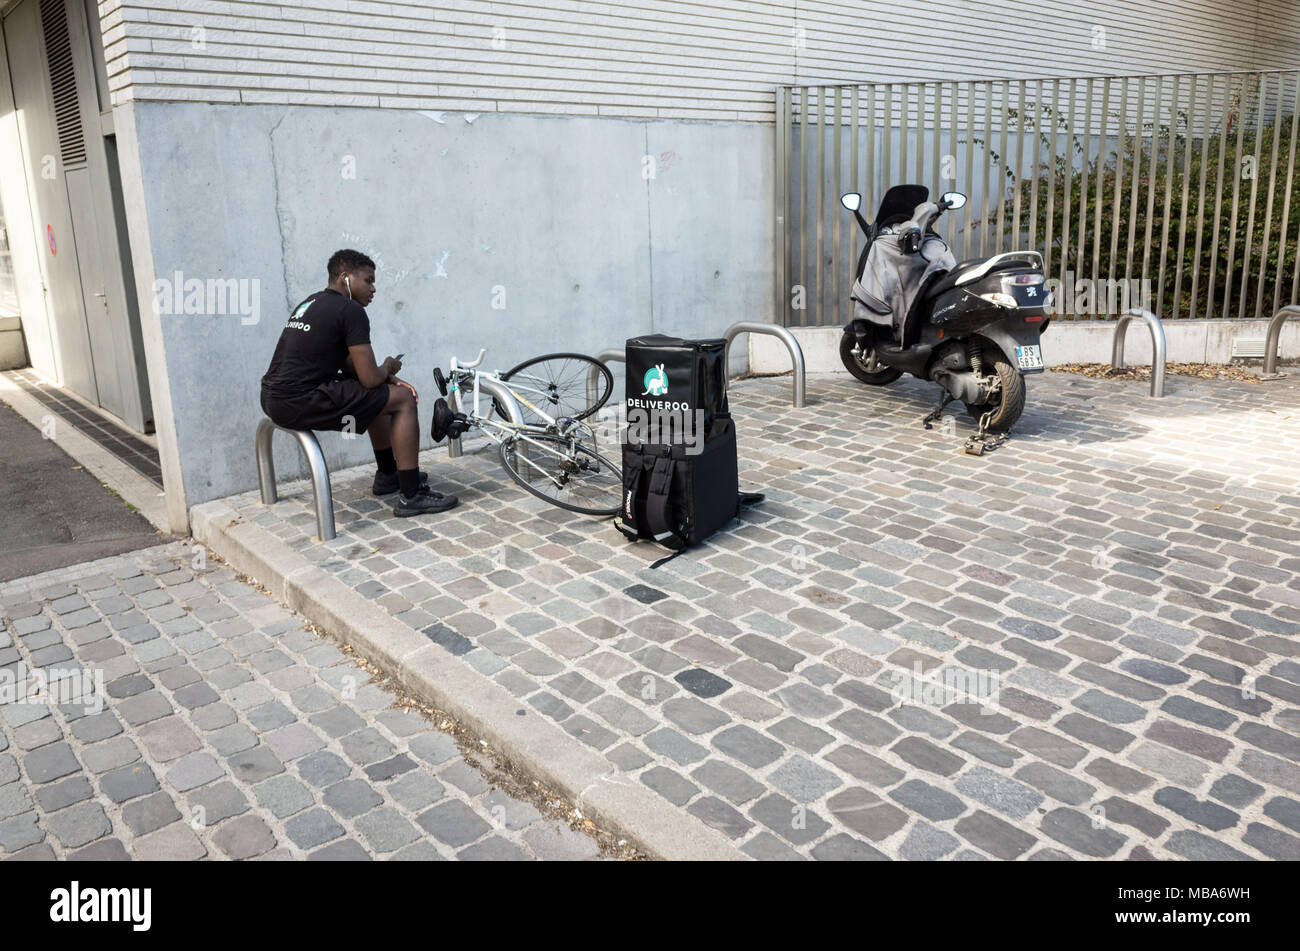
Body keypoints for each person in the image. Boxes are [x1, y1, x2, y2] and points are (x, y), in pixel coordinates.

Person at [259, 249, 458, 516]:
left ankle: (388, 475)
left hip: (273, 398)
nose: (373, 288)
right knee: (403, 400)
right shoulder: (350, 310)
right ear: (345, 278)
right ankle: (412, 496)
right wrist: (387, 366)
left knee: (376, 393)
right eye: (368, 280)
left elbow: (351, 368)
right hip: (301, 399)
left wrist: (385, 377)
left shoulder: (311, 303)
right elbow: (368, 377)